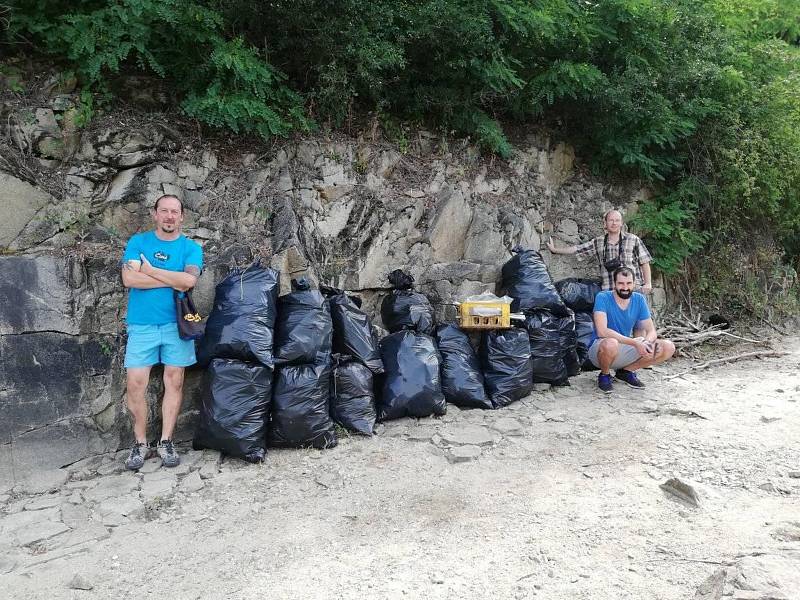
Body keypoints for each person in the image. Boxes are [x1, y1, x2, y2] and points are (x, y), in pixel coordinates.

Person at [120, 194, 203, 470]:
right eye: (164, 211)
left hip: (176, 325)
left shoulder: (190, 248)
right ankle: (140, 443)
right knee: (135, 384)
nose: (169, 216)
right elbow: (129, 278)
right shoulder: (138, 242)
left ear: (182, 217)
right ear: (155, 214)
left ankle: (166, 441)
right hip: (141, 324)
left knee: (175, 381)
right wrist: (170, 278)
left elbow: (189, 280)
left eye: (174, 212)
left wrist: (151, 271)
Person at [588, 267, 674, 392]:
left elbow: (651, 331)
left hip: (625, 348)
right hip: (600, 349)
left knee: (668, 347)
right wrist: (634, 342)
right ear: (614, 284)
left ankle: (626, 371)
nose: (625, 287)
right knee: (611, 342)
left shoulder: (639, 299)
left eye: (628, 283)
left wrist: (646, 342)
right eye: (621, 283)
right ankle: (604, 375)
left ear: (634, 283)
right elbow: (602, 331)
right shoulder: (603, 297)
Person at [547, 209, 653, 293]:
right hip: (610, 291)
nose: (614, 223)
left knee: (640, 320)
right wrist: (555, 250)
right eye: (611, 220)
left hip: (633, 289)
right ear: (605, 223)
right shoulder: (599, 241)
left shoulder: (633, 239)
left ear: (621, 223)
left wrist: (648, 283)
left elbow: (644, 262)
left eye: (617, 220)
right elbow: (577, 249)